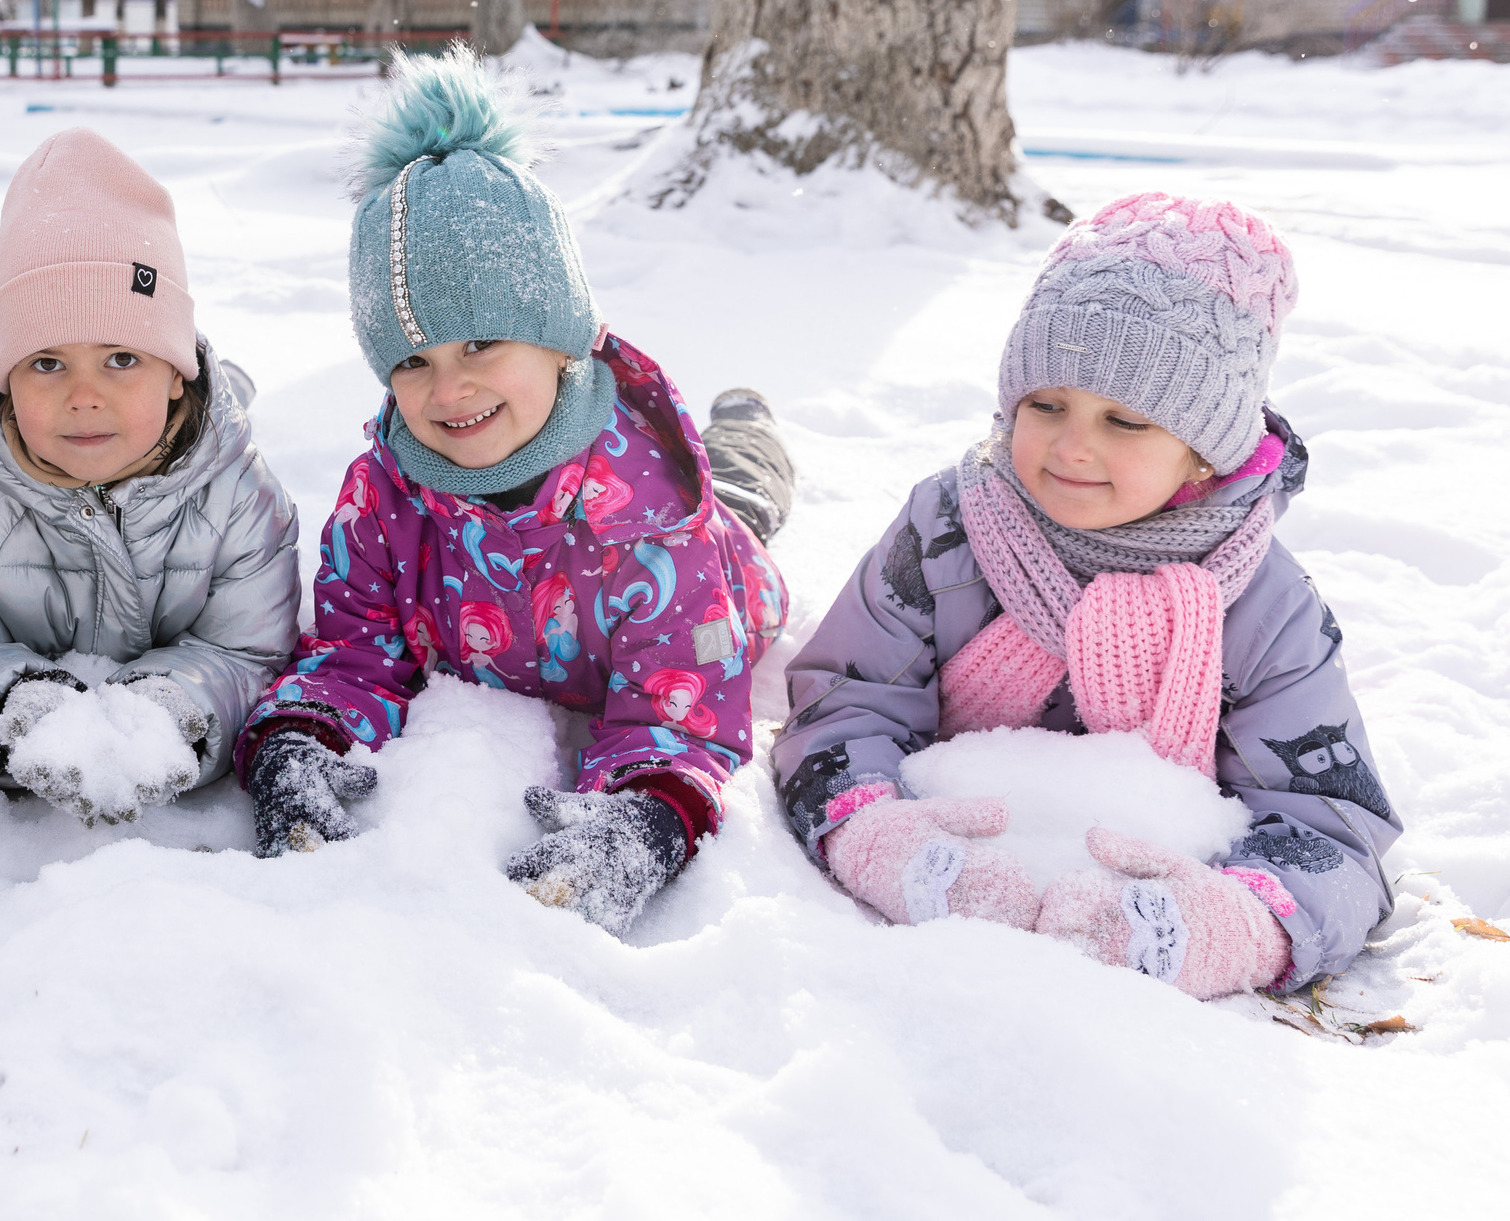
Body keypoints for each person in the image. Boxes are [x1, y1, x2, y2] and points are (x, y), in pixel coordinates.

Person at [773, 193, 1397, 999]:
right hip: (952, 896)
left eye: (1125, 421)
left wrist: (1234, 927)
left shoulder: (1264, 605)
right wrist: (875, 832)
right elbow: (846, 700)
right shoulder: (949, 527)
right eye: (1046, 404)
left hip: (1136, 931)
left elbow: (1332, 826)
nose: (1073, 446)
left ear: (1205, 452)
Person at [234, 51, 792, 933]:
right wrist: (297, 739)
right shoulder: (383, 494)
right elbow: (352, 651)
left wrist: (645, 816)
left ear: (562, 336)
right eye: (412, 362)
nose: (448, 389)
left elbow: (678, 710)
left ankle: (746, 424)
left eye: (481, 345)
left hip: (723, 572)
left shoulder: (654, 518)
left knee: (743, 492)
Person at [0, 128, 299, 822]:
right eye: (46, 362)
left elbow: (247, 650)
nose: (84, 393)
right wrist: (13, 702)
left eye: (122, 358)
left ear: (178, 378)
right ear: (6, 383)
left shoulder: (241, 498)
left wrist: (178, 706)